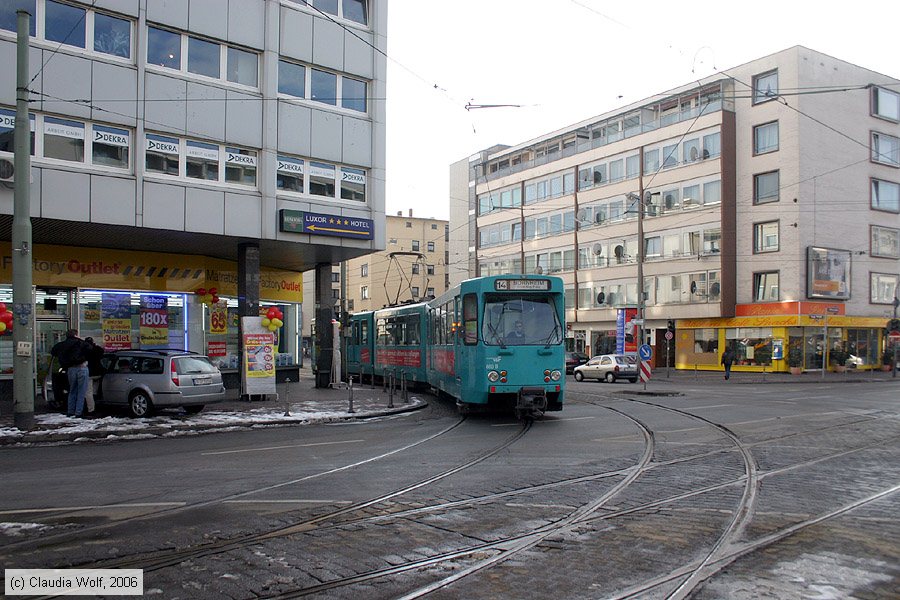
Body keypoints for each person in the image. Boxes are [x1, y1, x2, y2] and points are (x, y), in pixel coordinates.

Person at [51, 329, 90, 417]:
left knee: (72, 390)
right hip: (82, 367)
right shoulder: (80, 343)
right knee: (81, 391)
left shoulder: (61, 345)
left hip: (70, 369)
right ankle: (78, 412)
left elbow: (53, 351)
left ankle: (70, 411)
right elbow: (90, 349)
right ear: (76, 335)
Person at [83, 337, 105, 416]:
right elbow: (102, 352)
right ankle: (96, 405)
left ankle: (91, 410)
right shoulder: (97, 349)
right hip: (98, 373)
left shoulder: (85, 350)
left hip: (89, 373)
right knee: (94, 391)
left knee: (88, 392)